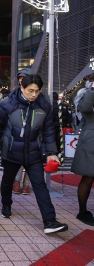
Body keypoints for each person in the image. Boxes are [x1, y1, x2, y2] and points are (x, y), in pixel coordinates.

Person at [0, 74, 68, 234]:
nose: (33, 94)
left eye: (37, 91)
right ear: (22, 88)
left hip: (33, 152)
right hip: (12, 150)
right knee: (6, 181)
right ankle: (6, 204)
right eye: (30, 90)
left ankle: (50, 221)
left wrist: (52, 152)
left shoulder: (44, 106)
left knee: (40, 185)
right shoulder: (7, 104)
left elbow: (48, 131)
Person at [71, 80, 94, 226]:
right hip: (91, 140)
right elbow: (84, 108)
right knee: (88, 177)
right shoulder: (85, 93)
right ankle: (82, 211)